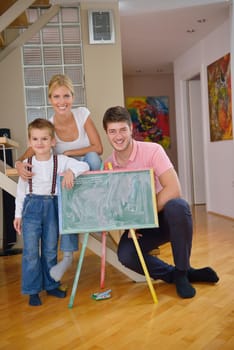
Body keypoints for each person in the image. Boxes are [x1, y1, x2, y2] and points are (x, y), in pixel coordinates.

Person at [102, 106, 219, 299]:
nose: (118, 136)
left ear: (131, 128)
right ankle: (177, 274)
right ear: (106, 133)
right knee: (126, 255)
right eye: (112, 131)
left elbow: (174, 189)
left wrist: (142, 216)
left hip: (163, 215)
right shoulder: (107, 165)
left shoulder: (153, 150)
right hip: (140, 226)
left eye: (122, 129)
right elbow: (116, 205)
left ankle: (182, 271)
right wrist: (128, 222)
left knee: (178, 206)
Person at [15, 74, 103, 282]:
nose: (61, 102)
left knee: (91, 157)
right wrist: (19, 163)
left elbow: (97, 149)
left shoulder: (82, 114)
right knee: (66, 197)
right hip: (68, 182)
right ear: (50, 99)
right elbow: (32, 148)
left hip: (84, 170)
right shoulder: (49, 125)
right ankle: (68, 255)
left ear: (73, 96)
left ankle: (94, 209)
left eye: (66, 96)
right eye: (56, 97)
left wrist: (68, 155)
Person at [13, 118, 89, 306]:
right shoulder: (26, 164)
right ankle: (32, 290)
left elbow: (85, 165)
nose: (40, 143)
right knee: (31, 251)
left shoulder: (60, 161)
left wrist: (72, 171)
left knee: (49, 250)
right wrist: (18, 215)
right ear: (30, 142)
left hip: (52, 208)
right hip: (31, 209)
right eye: (36, 139)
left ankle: (51, 284)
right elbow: (21, 192)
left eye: (45, 139)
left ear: (53, 141)